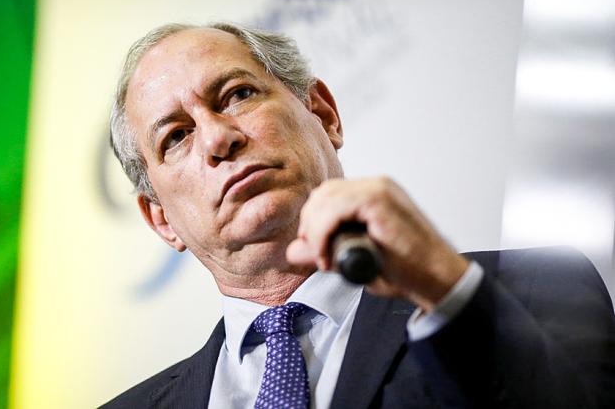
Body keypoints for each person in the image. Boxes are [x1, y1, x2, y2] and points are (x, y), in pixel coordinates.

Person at [101, 22, 615, 408]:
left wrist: (443, 287)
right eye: (176, 136)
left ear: (323, 113)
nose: (218, 138)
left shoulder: (531, 292)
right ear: (160, 218)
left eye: (238, 95)